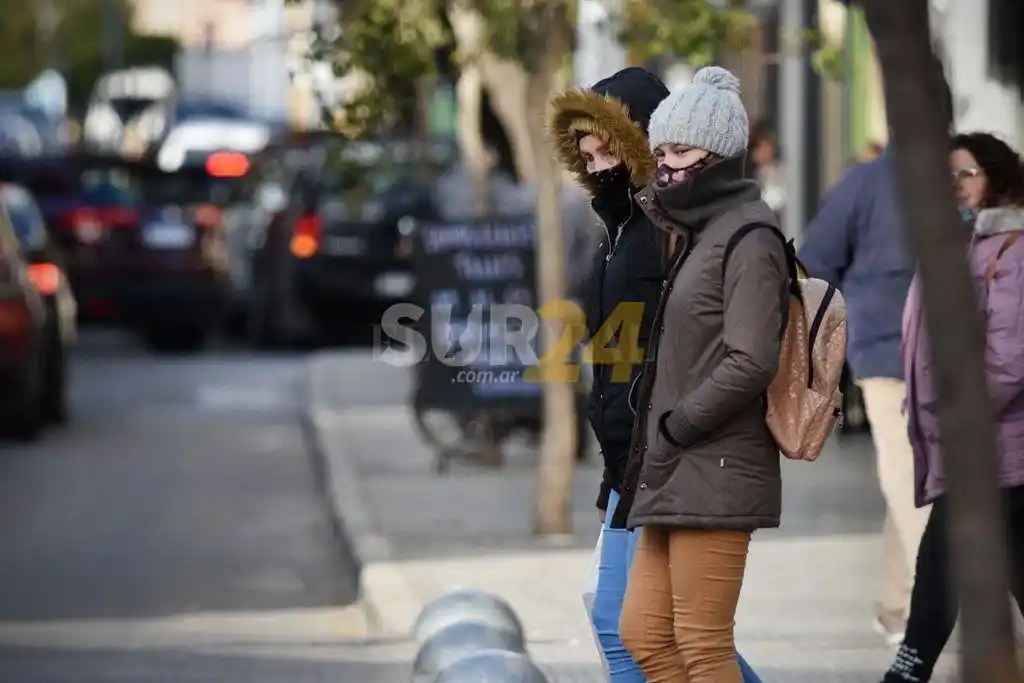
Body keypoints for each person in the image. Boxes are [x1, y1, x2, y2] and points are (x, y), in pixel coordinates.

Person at [549, 66, 762, 683]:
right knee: (656, 636)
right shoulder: (619, 231)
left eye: (609, 150)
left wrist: (667, 433)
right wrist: (610, 475)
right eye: (586, 156)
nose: (597, 167)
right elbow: (614, 357)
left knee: (644, 637)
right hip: (633, 460)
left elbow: (706, 347)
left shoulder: (672, 231)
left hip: (669, 456)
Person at [614, 65, 787, 683]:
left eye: (680, 151)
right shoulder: (700, 232)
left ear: (719, 153)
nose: (665, 166)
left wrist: (679, 425)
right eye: (660, 151)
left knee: (702, 644)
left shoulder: (749, 237)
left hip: (714, 463)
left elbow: (751, 358)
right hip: (676, 465)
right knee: (642, 633)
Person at [797, 121, 948, 644]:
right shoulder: (962, 175)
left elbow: (815, 260)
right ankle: (902, 607)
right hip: (951, 356)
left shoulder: (867, 182)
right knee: (911, 477)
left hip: (885, 350)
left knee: (906, 477)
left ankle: (925, 603)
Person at [881, 132, 1024, 683]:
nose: (955, 186)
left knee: (940, 564)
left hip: (994, 445)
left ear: (997, 178)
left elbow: (1009, 360)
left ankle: (908, 670)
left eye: (966, 174)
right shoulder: (954, 245)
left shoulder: (1011, 251)